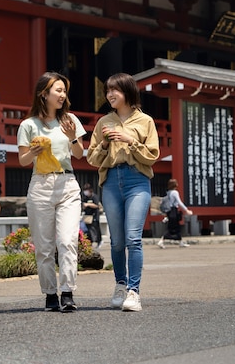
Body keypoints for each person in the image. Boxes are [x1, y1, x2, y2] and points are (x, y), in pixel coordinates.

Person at [87, 73, 160, 312]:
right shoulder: (103, 122)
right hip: (110, 182)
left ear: (128, 92)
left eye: (114, 90)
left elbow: (152, 156)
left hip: (137, 180)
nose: (109, 95)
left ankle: (133, 291)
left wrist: (131, 140)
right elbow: (91, 158)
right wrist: (106, 143)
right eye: (108, 90)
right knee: (117, 242)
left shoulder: (145, 121)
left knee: (133, 238)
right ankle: (120, 285)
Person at [17, 72, 86, 312]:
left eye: (64, 91)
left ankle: (67, 292)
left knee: (67, 241)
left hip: (67, 184)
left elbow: (79, 154)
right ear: (43, 94)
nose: (62, 95)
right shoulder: (28, 125)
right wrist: (34, 153)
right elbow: (23, 160)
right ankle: (50, 294)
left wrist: (72, 138)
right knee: (44, 247)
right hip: (40, 186)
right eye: (58, 90)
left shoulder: (70, 120)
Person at [157, 178, 193, 249]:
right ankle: (161, 241)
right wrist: (186, 210)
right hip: (174, 211)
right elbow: (179, 202)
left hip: (170, 212)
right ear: (174, 184)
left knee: (176, 227)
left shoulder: (168, 192)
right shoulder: (175, 192)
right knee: (172, 228)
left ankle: (181, 242)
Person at [81, 183, 102, 248]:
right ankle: (90, 242)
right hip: (87, 217)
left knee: (95, 229)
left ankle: (99, 241)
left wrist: (88, 205)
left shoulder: (94, 196)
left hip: (94, 216)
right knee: (88, 230)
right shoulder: (85, 198)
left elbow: (97, 205)